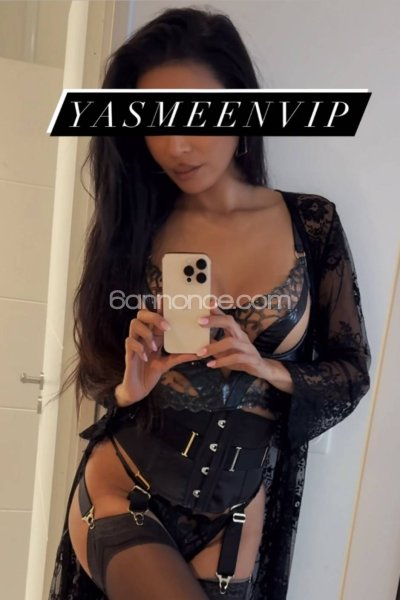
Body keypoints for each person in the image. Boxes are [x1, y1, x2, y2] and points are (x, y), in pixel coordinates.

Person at [48, 7, 371, 600]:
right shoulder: (135, 227)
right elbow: (100, 375)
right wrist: (129, 388)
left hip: (236, 518)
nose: (176, 145)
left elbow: (352, 373)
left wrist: (265, 366)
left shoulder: (312, 223)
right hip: (127, 487)